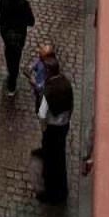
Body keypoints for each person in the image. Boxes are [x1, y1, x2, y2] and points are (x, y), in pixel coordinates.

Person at [37, 68, 74, 204]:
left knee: (50, 161)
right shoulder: (66, 84)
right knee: (60, 158)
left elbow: (42, 114)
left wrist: (44, 128)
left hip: (52, 130)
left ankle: (50, 192)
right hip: (63, 128)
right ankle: (63, 189)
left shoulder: (50, 90)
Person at [0, 0, 35, 91]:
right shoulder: (24, 4)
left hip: (6, 34)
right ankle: (12, 79)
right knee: (16, 56)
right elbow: (31, 22)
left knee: (9, 53)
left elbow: (1, 14)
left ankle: (11, 74)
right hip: (20, 36)